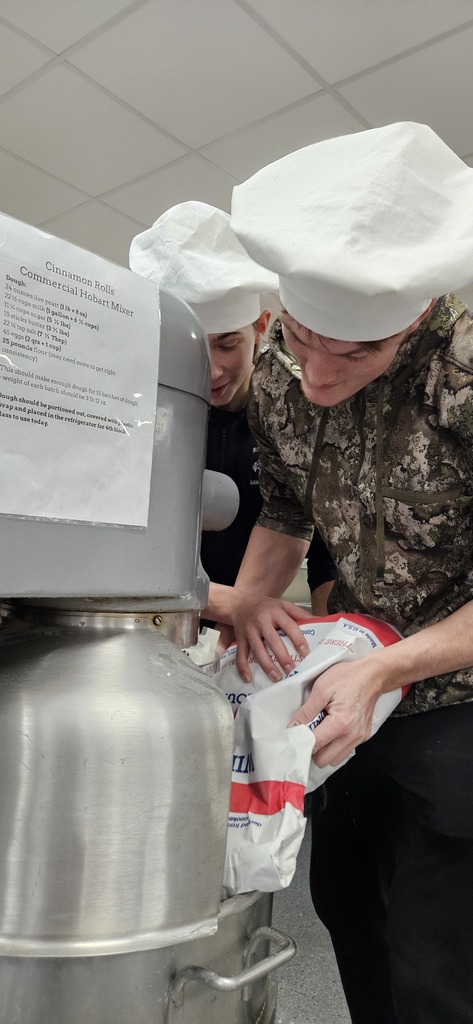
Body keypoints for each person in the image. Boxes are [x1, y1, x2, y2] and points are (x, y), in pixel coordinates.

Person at [209, 122, 473, 1023]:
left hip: (453, 693)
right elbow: (285, 510)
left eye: (355, 353)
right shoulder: (282, 372)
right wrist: (245, 602)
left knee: (436, 950)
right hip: (346, 678)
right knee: (349, 910)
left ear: (414, 318)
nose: (316, 377)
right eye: (300, 335)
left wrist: (391, 667)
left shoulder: (464, 374)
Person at [129, 201, 335, 628]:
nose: (213, 369)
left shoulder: (296, 409)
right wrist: (229, 609)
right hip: (170, 615)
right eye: (194, 349)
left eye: (227, 345)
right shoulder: (144, 416)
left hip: (254, 611)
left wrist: (335, 643)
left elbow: (322, 547)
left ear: (260, 326)